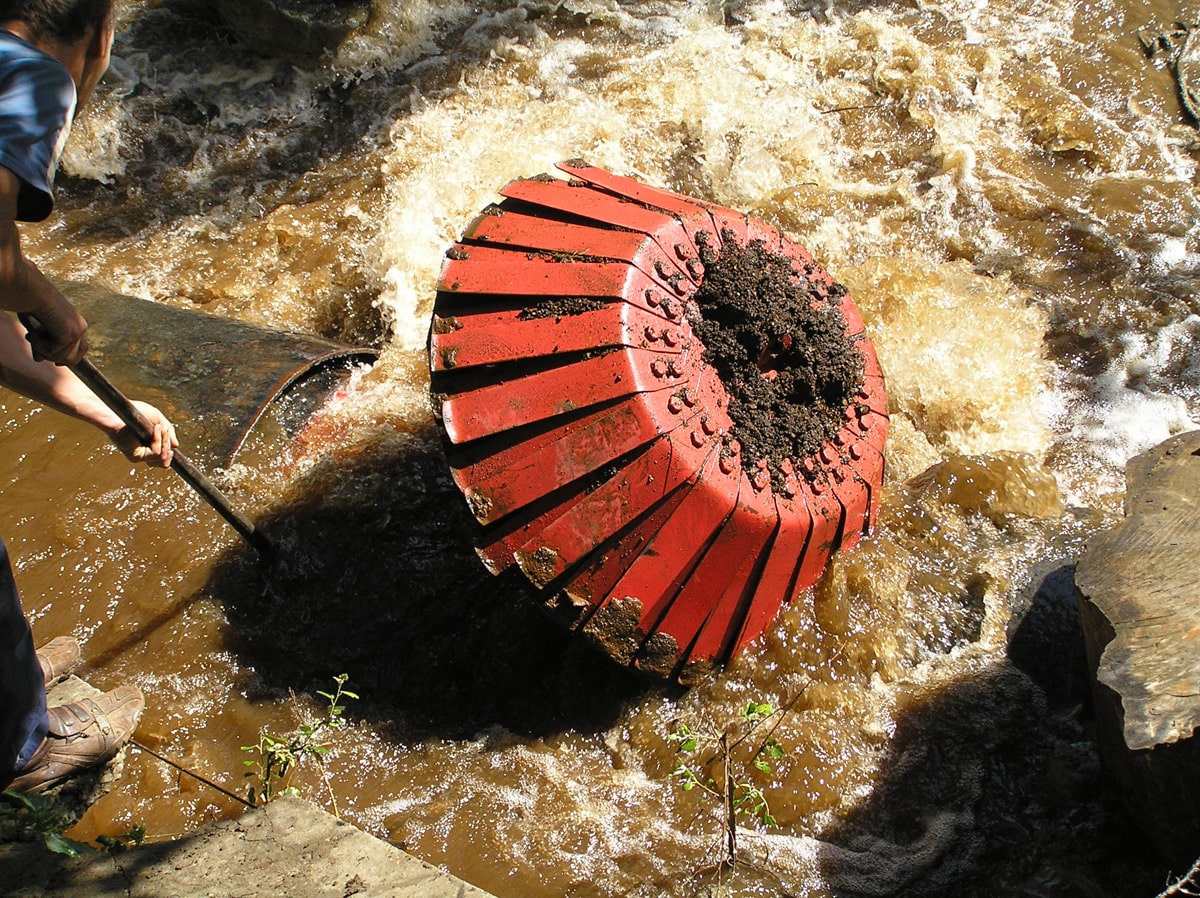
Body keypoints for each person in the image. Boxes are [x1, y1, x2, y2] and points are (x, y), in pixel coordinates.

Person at [0, 0, 178, 795]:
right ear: (100, 36)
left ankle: (10, 686)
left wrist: (112, 414)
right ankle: (23, 750)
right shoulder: (33, 77)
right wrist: (47, 299)